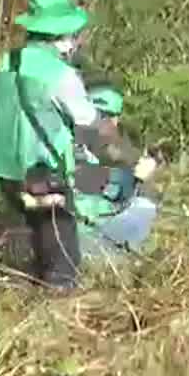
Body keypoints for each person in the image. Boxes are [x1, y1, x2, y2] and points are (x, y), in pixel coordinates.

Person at [0, 0, 105, 292]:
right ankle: (53, 324)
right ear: (65, 36)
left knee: (37, 252)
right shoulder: (59, 74)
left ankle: (27, 306)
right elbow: (92, 125)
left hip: (6, 171)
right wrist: (131, 160)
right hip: (44, 176)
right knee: (62, 264)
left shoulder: (6, 62)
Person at [72, 81, 160, 262]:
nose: (112, 124)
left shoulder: (73, 144)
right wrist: (137, 179)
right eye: (108, 117)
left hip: (75, 232)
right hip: (82, 237)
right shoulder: (79, 156)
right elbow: (115, 192)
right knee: (146, 205)